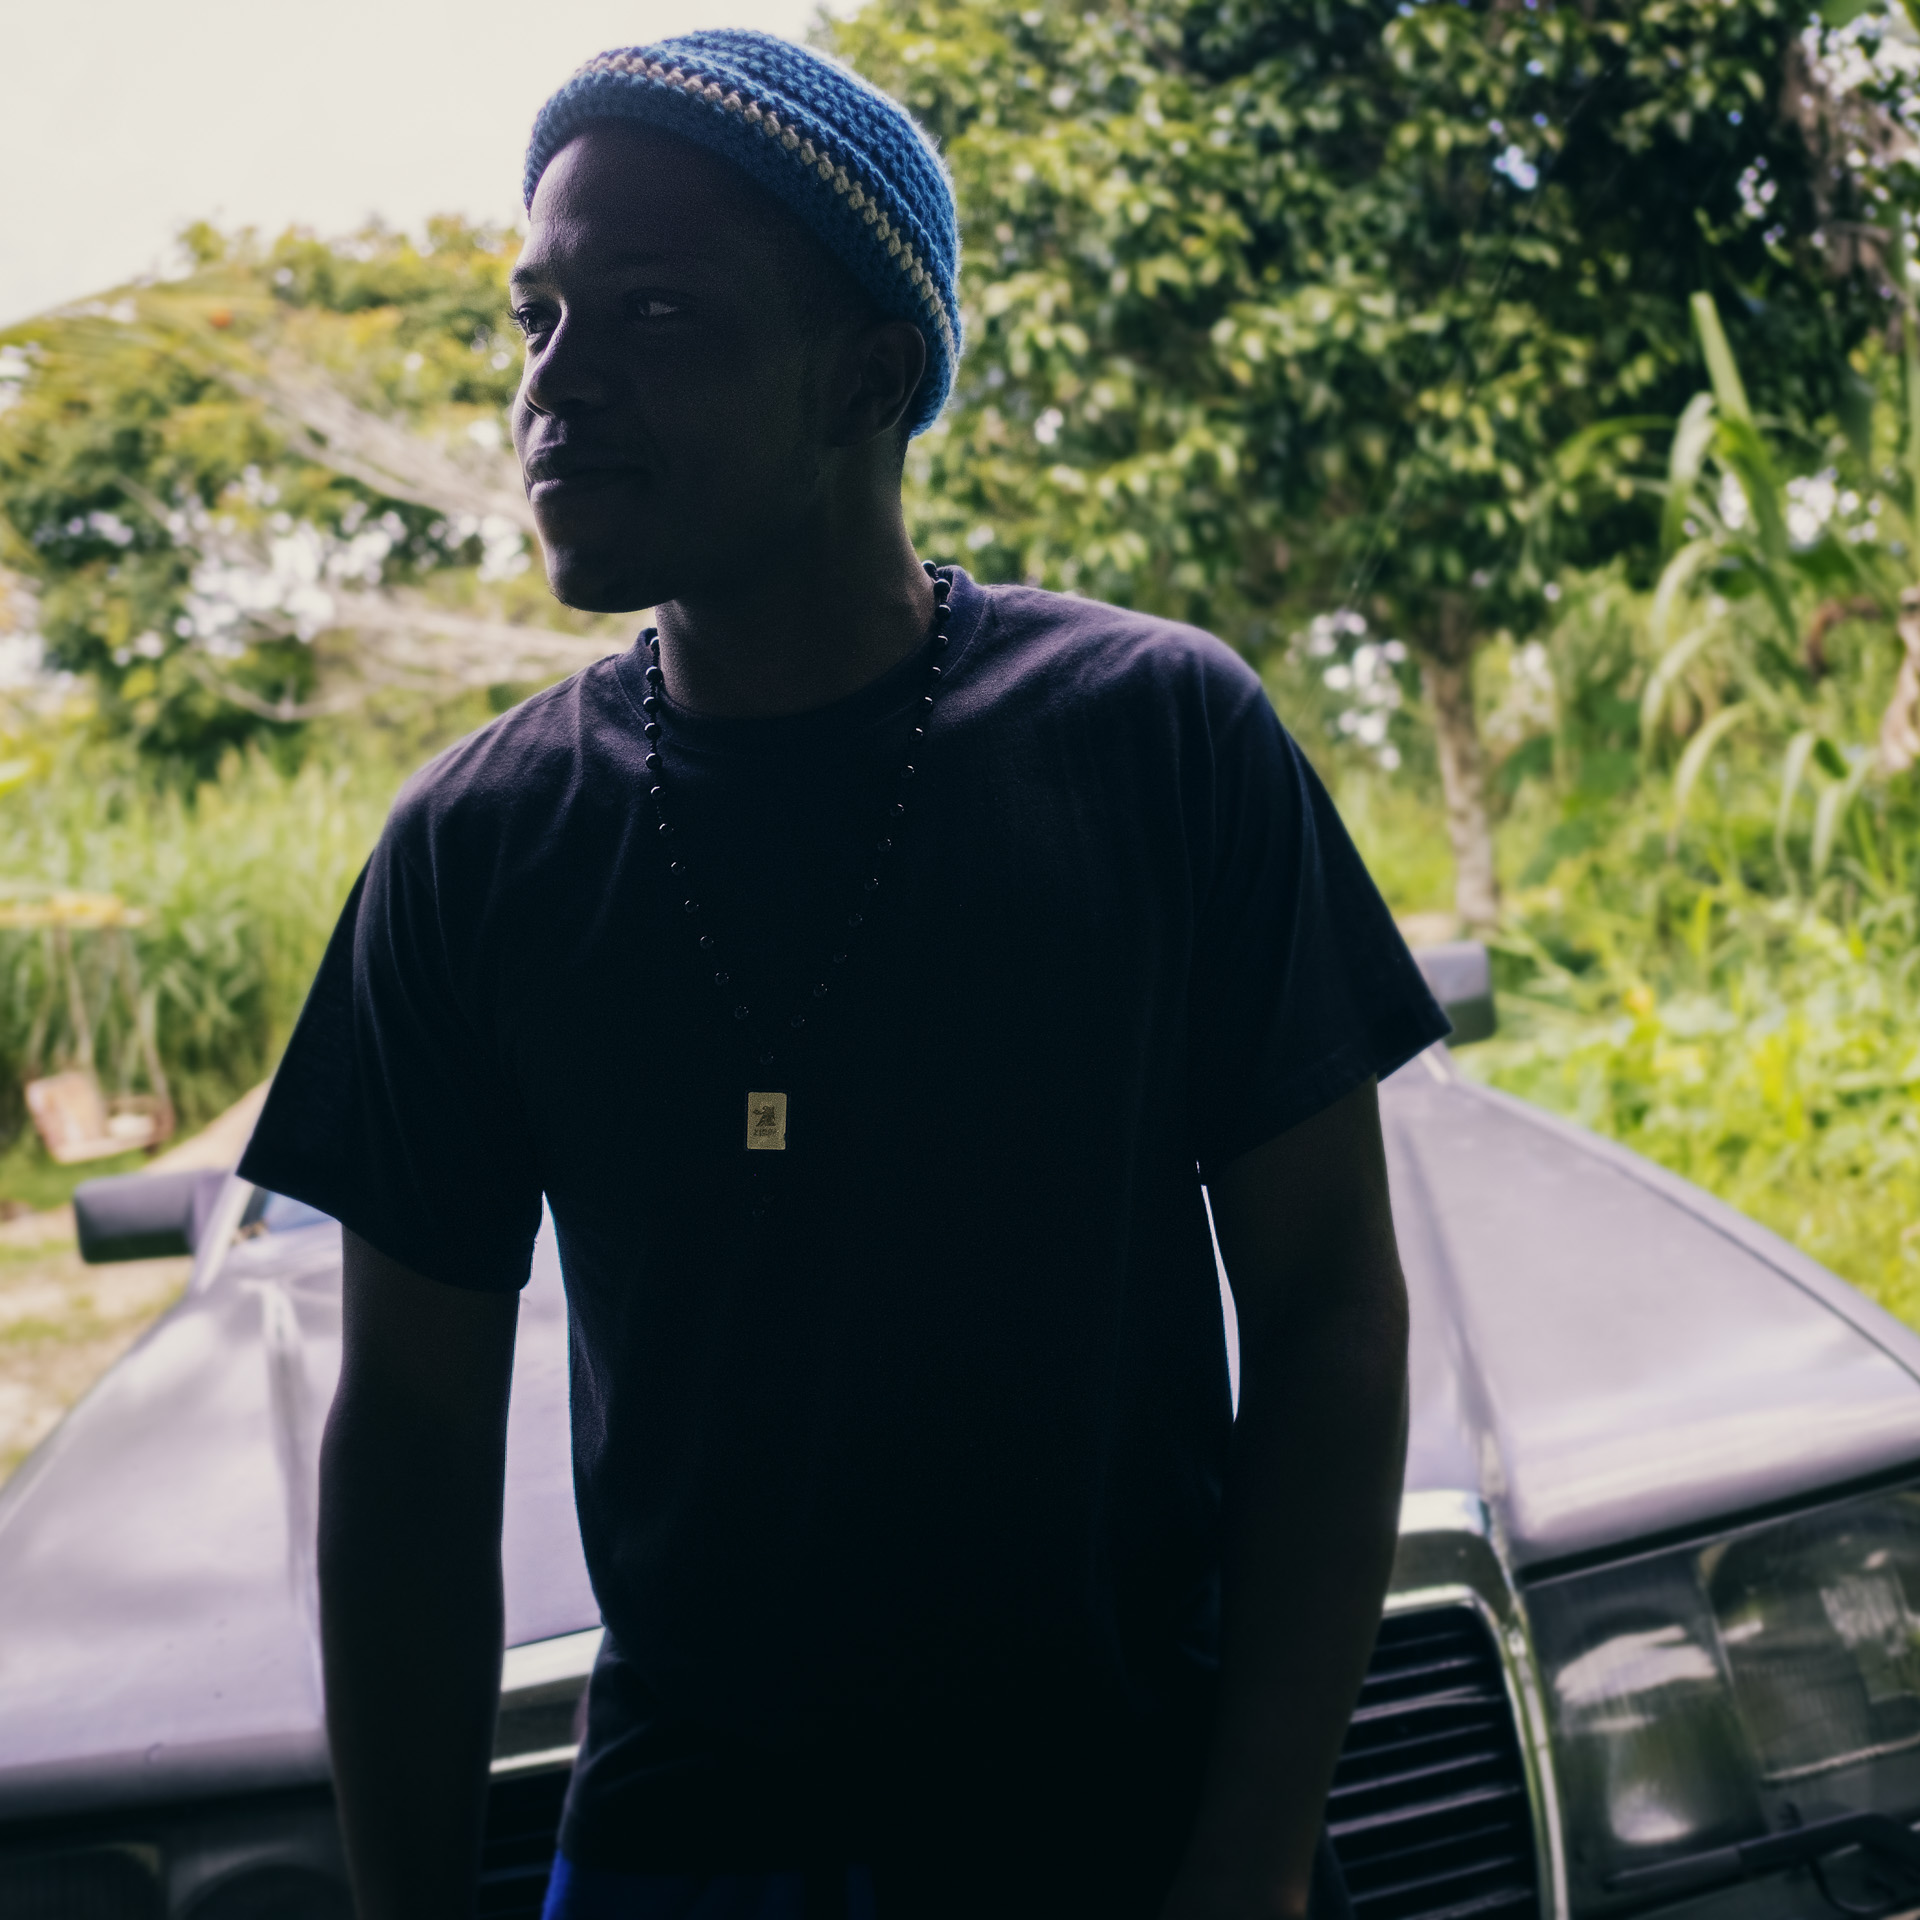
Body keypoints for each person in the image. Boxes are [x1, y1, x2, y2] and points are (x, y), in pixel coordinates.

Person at [239, 29, 1447, 1920]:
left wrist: (1251, 1855)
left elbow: (1327, 1315)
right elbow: (402, 1442)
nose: (558, 385)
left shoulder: (1157, 743)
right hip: (677, 1852)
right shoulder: (480, 849)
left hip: (1121, 1830)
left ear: (871, 377)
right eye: (537, 315)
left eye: (654, 310)